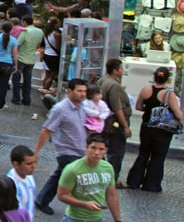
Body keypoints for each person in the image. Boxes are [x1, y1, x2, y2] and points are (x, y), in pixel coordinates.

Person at [33, 78, 88, 216]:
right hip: (66, 150)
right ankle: (79, 205)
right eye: (79, 91)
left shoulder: (83, 107)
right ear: (69, 91)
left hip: (80, 149)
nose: (82, 94)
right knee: (74, 176)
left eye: (84, 91)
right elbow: (47, 130)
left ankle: (42, 199)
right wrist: (36, 151)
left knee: (60, 175)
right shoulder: (60, 109)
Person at [126, 67, 184, 192]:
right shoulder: (169, 95)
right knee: (158, 157)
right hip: (162, 131)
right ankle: (151, 185)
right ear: (168, 79)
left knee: (143, 153)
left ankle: (134, 181)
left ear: (154, 77)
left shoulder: (146, 90)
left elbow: (139, 106)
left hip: (146, 126)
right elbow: (178, 114)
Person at [57, 133, 122, 222]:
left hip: (98, 219)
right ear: (87, 147)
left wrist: (118, 220)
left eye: (101, 149)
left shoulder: (108, 168)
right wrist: (84, 204)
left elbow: (111, 195)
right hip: (75, 219)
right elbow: (62, 195)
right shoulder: (72, 169)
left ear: (106, 150)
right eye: (93, 148)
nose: (96, 153)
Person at [96, 58, 132, 188]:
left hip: (106, 121)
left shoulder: (103, 80)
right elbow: (118, 108)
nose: (123, 71)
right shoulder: (114, 85)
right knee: (116, 151)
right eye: (121, 68)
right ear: (115, 70)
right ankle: (112, 178)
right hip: (115, 123)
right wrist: (126, 126)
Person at [12, 16, 43, 106]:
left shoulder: (25, 31)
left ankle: (16, 98)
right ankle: (26, 99)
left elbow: (18, 44)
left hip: (21, 57)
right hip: (31, 58)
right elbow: (38, 45)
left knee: (16, 78)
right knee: (28, 79)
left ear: (25, 22)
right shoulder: (40, 31)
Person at [0, 22, 18, 109]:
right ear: (11, 29)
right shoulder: (14, 40)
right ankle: (1, 103)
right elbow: (15, 54)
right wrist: (15, 65)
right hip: (7, 63)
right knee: (3, 84)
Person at [7, 145, 37, 219]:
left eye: (35, 162)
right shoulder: (11, 184)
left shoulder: (29, 176)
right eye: (29, 164)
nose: (34, 166)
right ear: (16, 164)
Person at [39, 17, 62, 96]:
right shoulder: (57, 34)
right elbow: (58, 47)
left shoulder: (46, 32)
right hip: (54, 56)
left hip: (47, 54)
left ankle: (43, 88)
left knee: (47, 74)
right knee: (51, 76)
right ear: (55, 24)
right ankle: (46, 90)